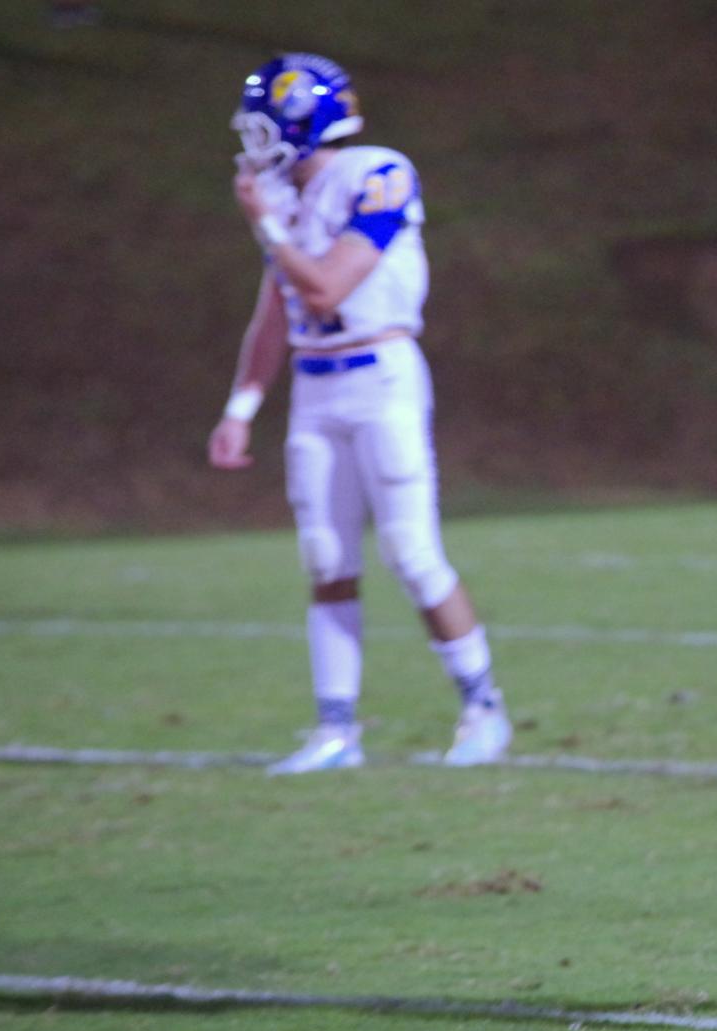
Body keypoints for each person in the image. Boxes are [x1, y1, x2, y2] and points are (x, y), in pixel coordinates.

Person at [207, 53, 511, 775]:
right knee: (326, 559)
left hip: (381, 377)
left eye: (264, 128)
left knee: (411, 552)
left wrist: (268, 227)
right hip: (315, 388)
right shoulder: (285, 195)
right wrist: (242, 406)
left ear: (303, 124)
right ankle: (336, 731)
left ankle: (483, 707)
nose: (254, 145)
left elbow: (324, 290)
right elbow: (278, 310)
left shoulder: (378, 173)